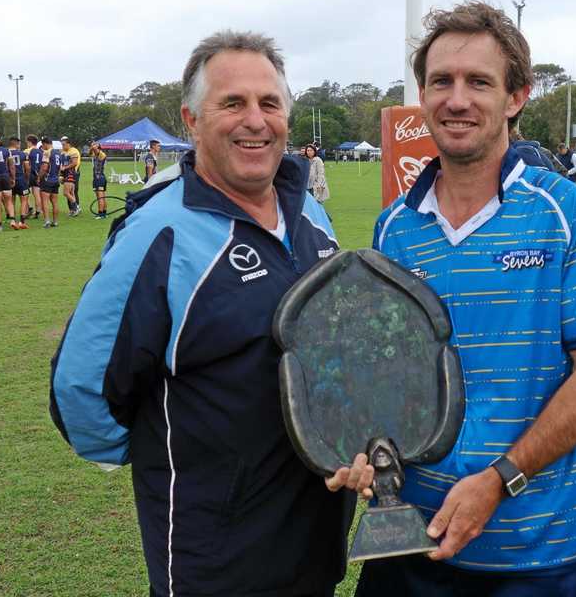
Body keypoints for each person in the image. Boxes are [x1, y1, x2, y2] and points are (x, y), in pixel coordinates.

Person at [50, 30, 355, 597]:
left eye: (269, 103)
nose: (255, 120)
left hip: (315, 535)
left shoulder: (309, 212)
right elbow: (80, 393)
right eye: (232, 103)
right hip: (214, 556)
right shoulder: (158, 233)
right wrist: (173, 457)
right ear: (191, 120)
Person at [362, 1, 576, 597]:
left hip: (537, 550)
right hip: (410, 543)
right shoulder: (392, 230)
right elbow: (387, 372)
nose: (457, 100)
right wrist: (361, 443)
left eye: (478, 82)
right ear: (424, 96)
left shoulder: (571, 213)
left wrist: (500, 478)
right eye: (441, 82)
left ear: (515, 97)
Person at [36, 136, 63, 227]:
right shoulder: (58, 153)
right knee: (55, 202)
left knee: (45, 201)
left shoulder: (47, 152)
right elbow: (60, 168)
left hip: (47, 180)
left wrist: (39, 177)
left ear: (45, 144)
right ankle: (55, 222)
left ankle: (47, 221)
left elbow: (44, 167)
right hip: (55, 180)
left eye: (42, 145)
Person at [7, 137, 31, 228]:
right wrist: (27, 178)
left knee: (10, 200)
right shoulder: (22, 154)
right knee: (24, 200)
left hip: (9, 180)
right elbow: (27, 168)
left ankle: (12, 220)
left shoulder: (6, 153)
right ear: (17, 144)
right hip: (21, 179)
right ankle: (21, 221)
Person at [61, 136, 82, 215]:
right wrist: (61, 174)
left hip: (72, 173)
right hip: (66, 173)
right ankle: (72, 209)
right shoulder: (62, 151)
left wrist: (65, 168)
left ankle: (76, 207)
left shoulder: (73, 151)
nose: (63, 146)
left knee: (69, 192)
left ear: (68, 144)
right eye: (62, 144)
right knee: (71, 192)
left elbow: (75, 163)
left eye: (64, 144)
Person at [25, 135, 44, 220]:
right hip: (38, 174)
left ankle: (29, 209)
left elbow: (26, 164)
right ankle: (38, 211)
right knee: (37, 194)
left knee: (25, 194)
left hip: (29, 174)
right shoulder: (41, 152)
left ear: (29, 142)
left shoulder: (27, 151)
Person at [89, 141, 109, 219]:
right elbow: (89, 153)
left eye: (95, 146)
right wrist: (92, 147)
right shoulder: (94, 154)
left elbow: (97, 152)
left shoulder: (102, 154)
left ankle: (100, 214)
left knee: (100, 197)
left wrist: (95, 146)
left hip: (100, 178)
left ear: (98, 147)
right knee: (101, 196)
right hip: (97, 178)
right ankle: (104, 213)